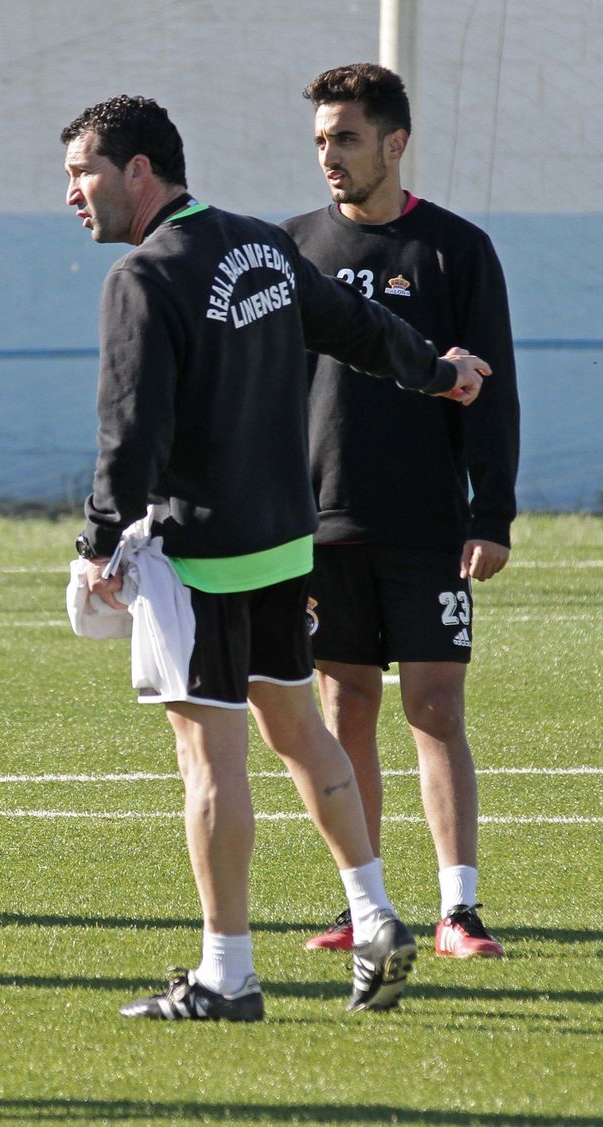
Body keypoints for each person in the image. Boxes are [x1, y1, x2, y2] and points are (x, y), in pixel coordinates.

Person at [62, 95, 490, 1019]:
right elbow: (357, 327)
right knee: (300, 731)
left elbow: (128, 430)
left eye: (83, 173)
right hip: (283, 543)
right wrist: (437, 369)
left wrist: (100, 542)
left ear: (139, 172)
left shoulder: (143, 276)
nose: (72, 194)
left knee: (208, 758)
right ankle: (374, 913)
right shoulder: (256, 243)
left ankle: (227, 973)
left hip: (203, 557)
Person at [285, 64, 519, 959]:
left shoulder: (457, 250)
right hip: (321, 525)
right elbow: (269, 393)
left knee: (435, 708)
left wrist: (489, 511)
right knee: (344, 713)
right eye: (319, 141)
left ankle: (459, 911)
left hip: (426, 525)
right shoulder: (291, 247)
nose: (329, 157)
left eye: (345, 138)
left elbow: (491, 391)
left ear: (394, 141)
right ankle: (365, 902)